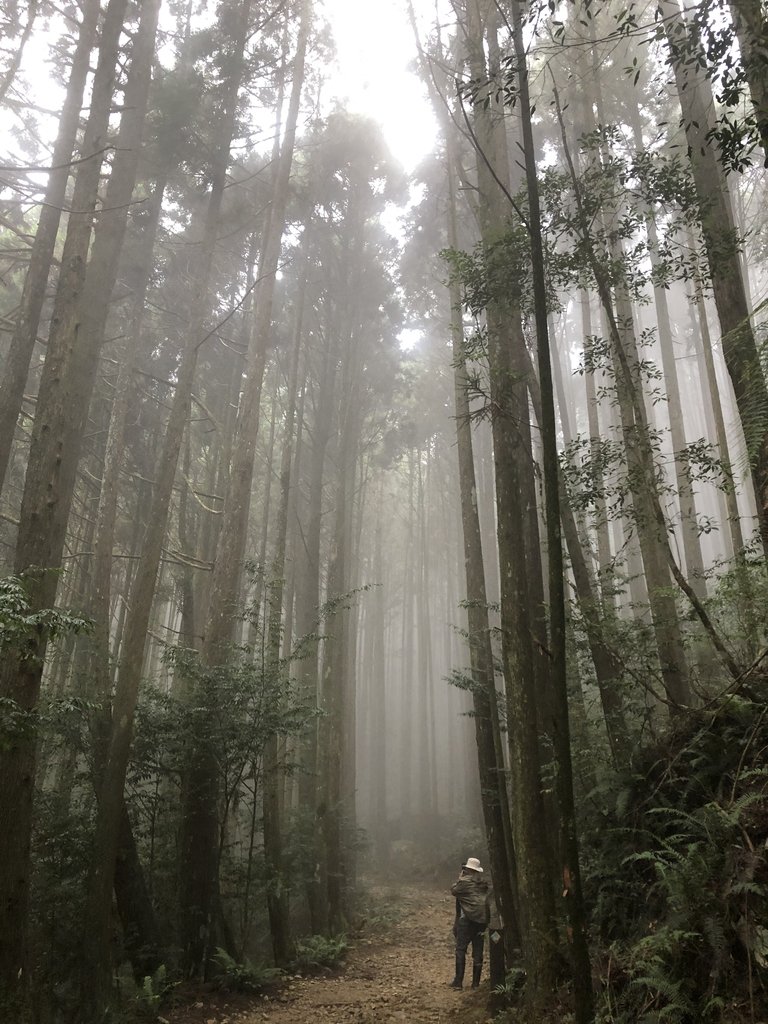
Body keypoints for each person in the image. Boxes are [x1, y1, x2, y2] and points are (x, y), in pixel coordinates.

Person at [449, 856, 490, 990]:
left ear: (467, 869)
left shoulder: (464, 882)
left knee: (461, 950)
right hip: (482, 921)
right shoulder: (483, 883)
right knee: (478, 951)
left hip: (467, 921)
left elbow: (453, 890)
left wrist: (460, 877)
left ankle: (458, 982)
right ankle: (475, 984)